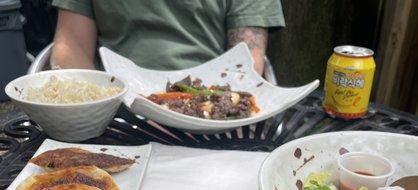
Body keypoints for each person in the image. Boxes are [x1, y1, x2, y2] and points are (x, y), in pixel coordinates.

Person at [50, 1, 285, 75]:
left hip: (212, 118)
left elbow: (245, 62)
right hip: (113, 117)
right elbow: (71, 46)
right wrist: (96, 108)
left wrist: (205, 110)